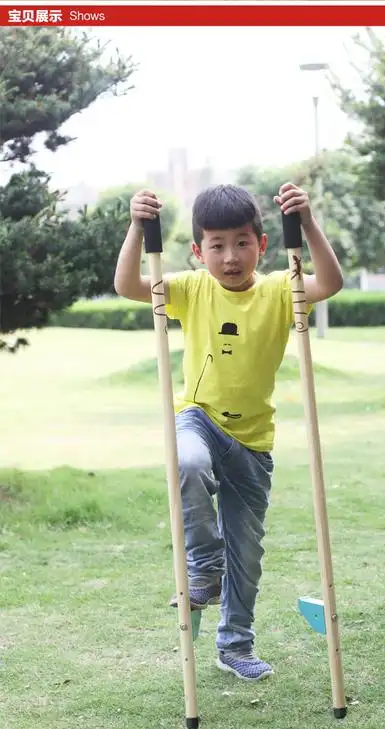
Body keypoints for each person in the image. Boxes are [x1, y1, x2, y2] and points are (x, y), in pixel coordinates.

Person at [114, 181, 343, 681]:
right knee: (189, 463)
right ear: (198, 252)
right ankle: (204, 566)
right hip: (198, 416)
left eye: (241, 242)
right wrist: (136, 227)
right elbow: (128, 287)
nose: (230, 256)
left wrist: (306, 223)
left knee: (248, 552)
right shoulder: (193, 288)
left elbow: (331, 282)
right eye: (216, 246)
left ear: (262, 244)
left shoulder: (284, 288)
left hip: (253, 442)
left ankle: (235, 644)